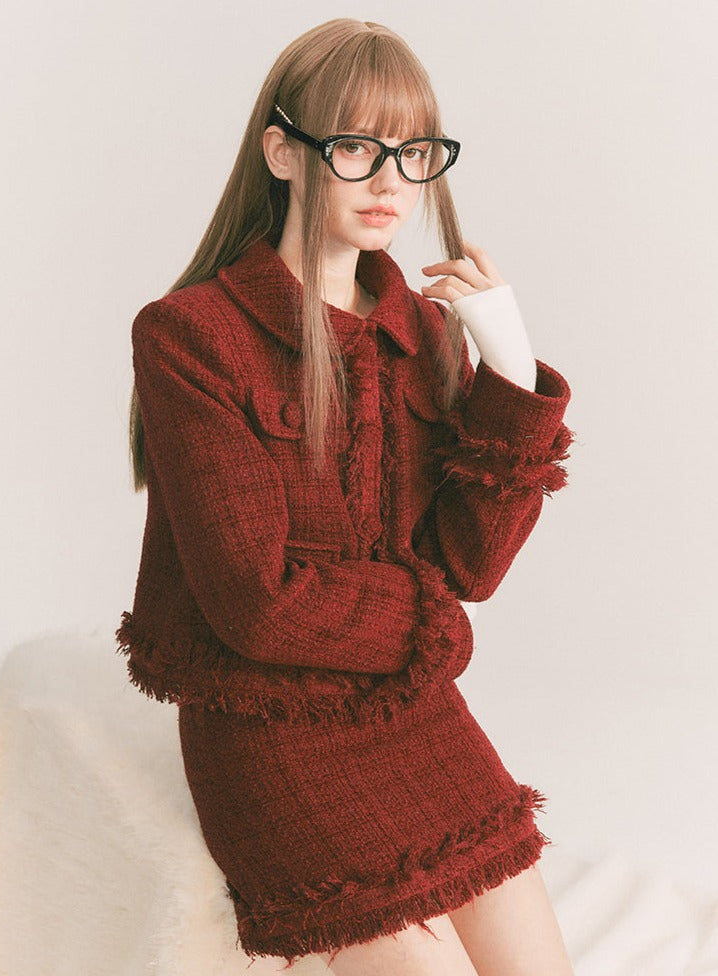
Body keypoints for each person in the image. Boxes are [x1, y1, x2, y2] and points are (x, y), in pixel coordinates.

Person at [117, 17, 575, 976]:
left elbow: (468, 566)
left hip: (410, 710)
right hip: (268, 726)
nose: (391, 183)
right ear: (283, 152)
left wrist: (508, 365)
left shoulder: (424, 332)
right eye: (358, 147)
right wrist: (431, 627)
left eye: (414, 153)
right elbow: (257, 604)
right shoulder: (190, 335)